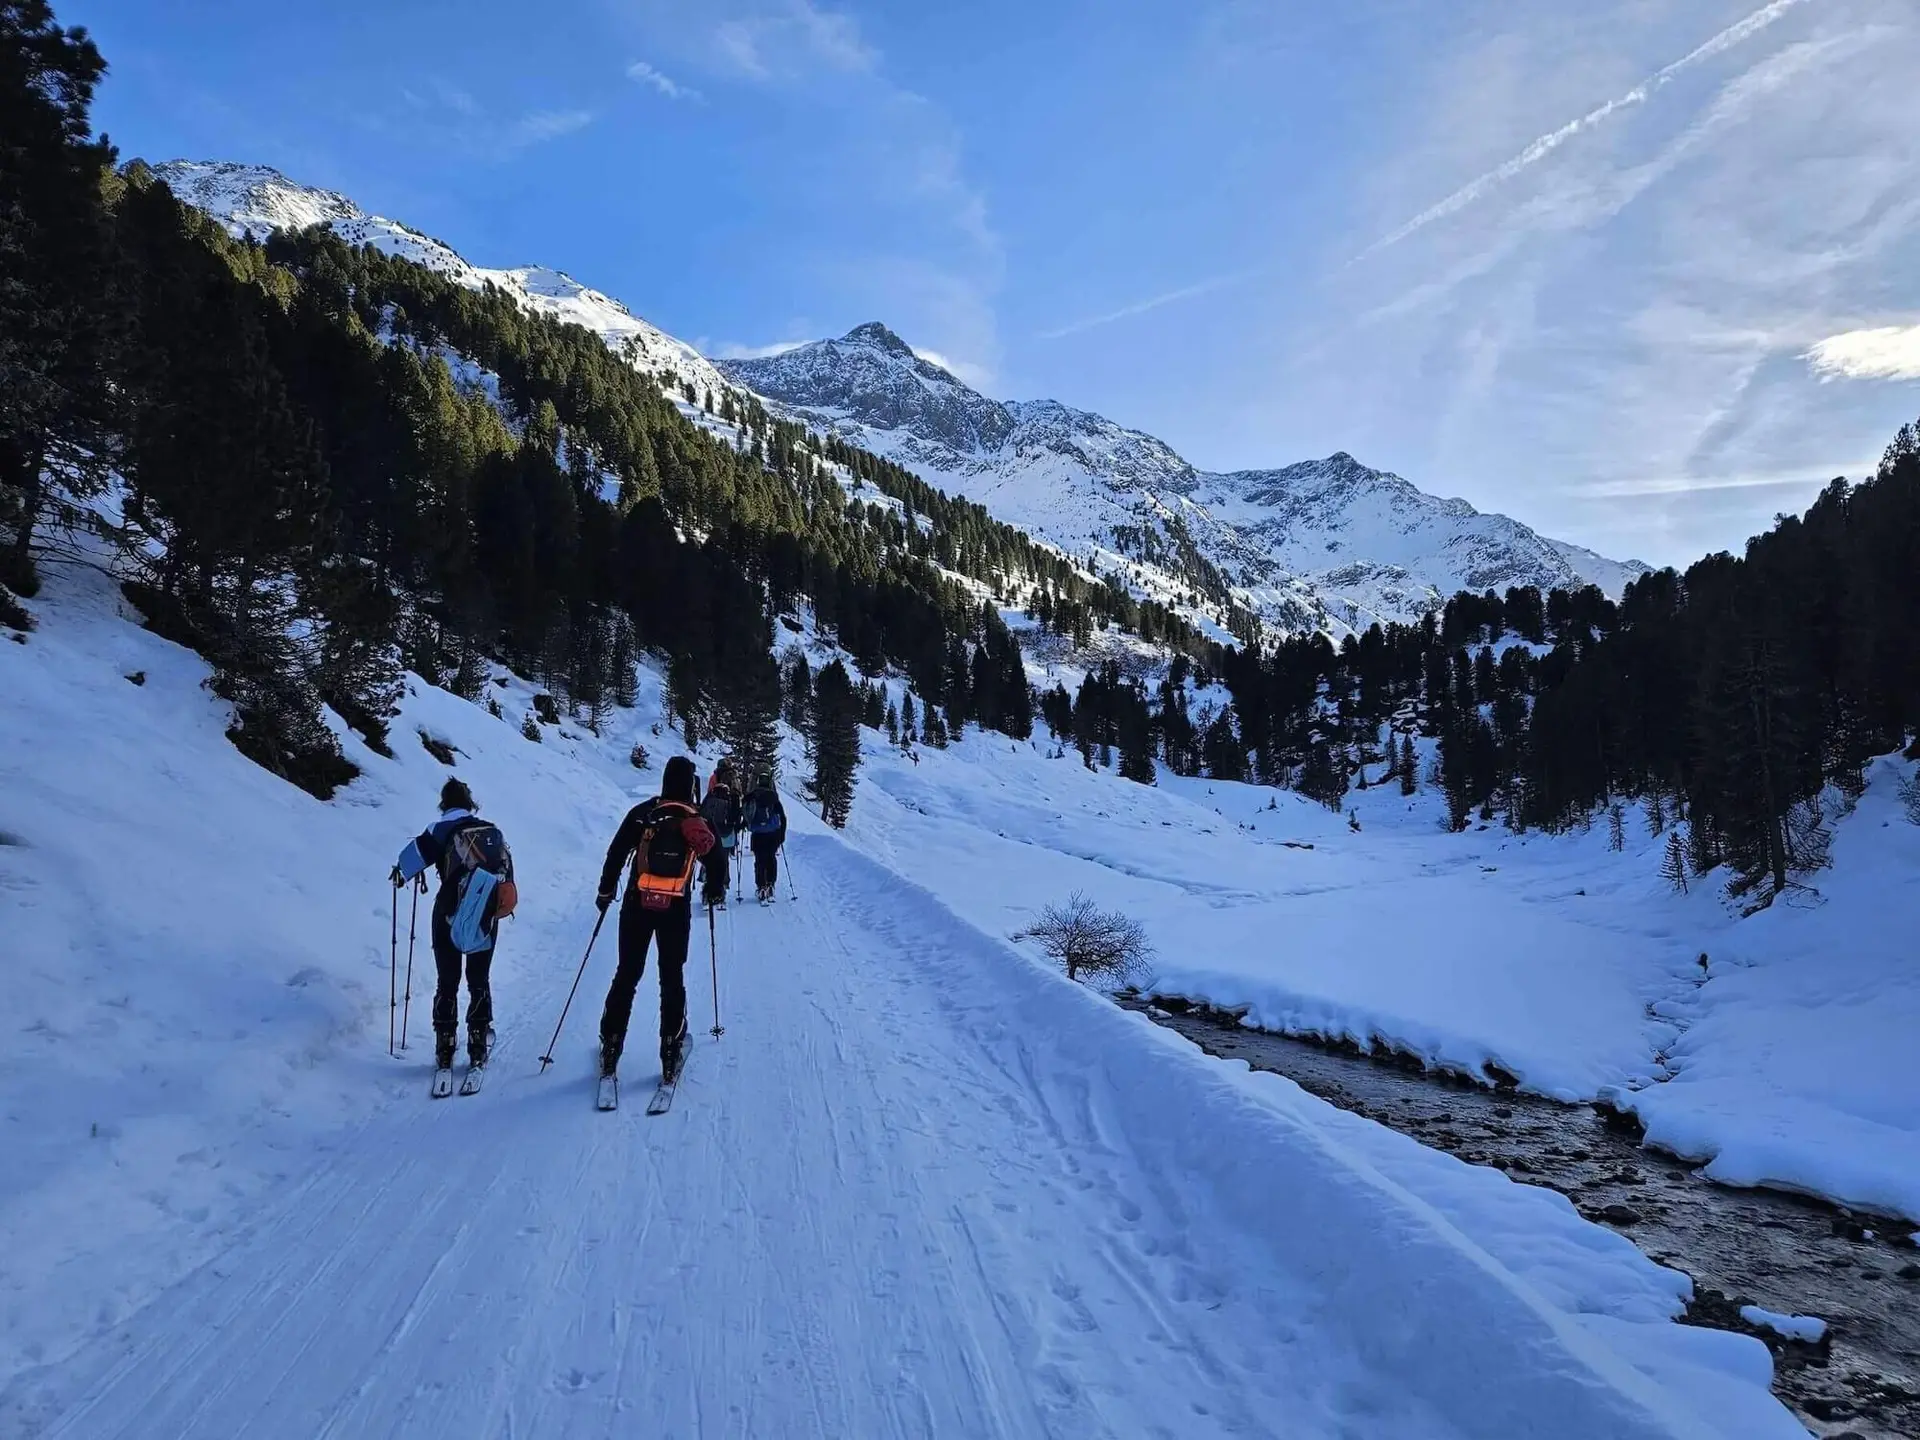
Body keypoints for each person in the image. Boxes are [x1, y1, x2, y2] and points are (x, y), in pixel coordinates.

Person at [595, 756, 716, 1080]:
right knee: (671, 977)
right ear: (692, 783)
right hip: (675, 907)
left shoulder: (644, 814)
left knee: (627, 974)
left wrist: (606, 892)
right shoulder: (696, 817)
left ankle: (611, 1045)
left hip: (638, 902)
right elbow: (715, 858)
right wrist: (715, 890)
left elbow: (617, 852)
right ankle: (670, 1050)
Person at [391, 778, 514, 1071]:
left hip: (447, 912)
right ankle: (478, 1041)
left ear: (443, 803)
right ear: (470, 803)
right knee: (478, 979)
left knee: (447, 981)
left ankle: (445, 1044)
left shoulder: (438, 830)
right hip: (484, 916)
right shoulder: (491, 831)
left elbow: (404, 868)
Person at [699, 759, 744, 907]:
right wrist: (737, 823)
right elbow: (738, 799)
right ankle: (722, 887)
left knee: (709, 855)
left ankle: (707, 886)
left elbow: (705, 804)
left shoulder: (714, 778)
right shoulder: (734, 778)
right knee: (723, 857)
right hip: (727, 827)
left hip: (711, 826)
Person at [743, 773, 787, 903]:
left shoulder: (752, 795)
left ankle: (761, 887)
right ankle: (771, 884)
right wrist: (782, 834)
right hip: (773, 834)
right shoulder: (774, 797)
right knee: (771, 858)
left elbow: (745, 811)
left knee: (759, 860)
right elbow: (782, 817)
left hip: (757, 834)